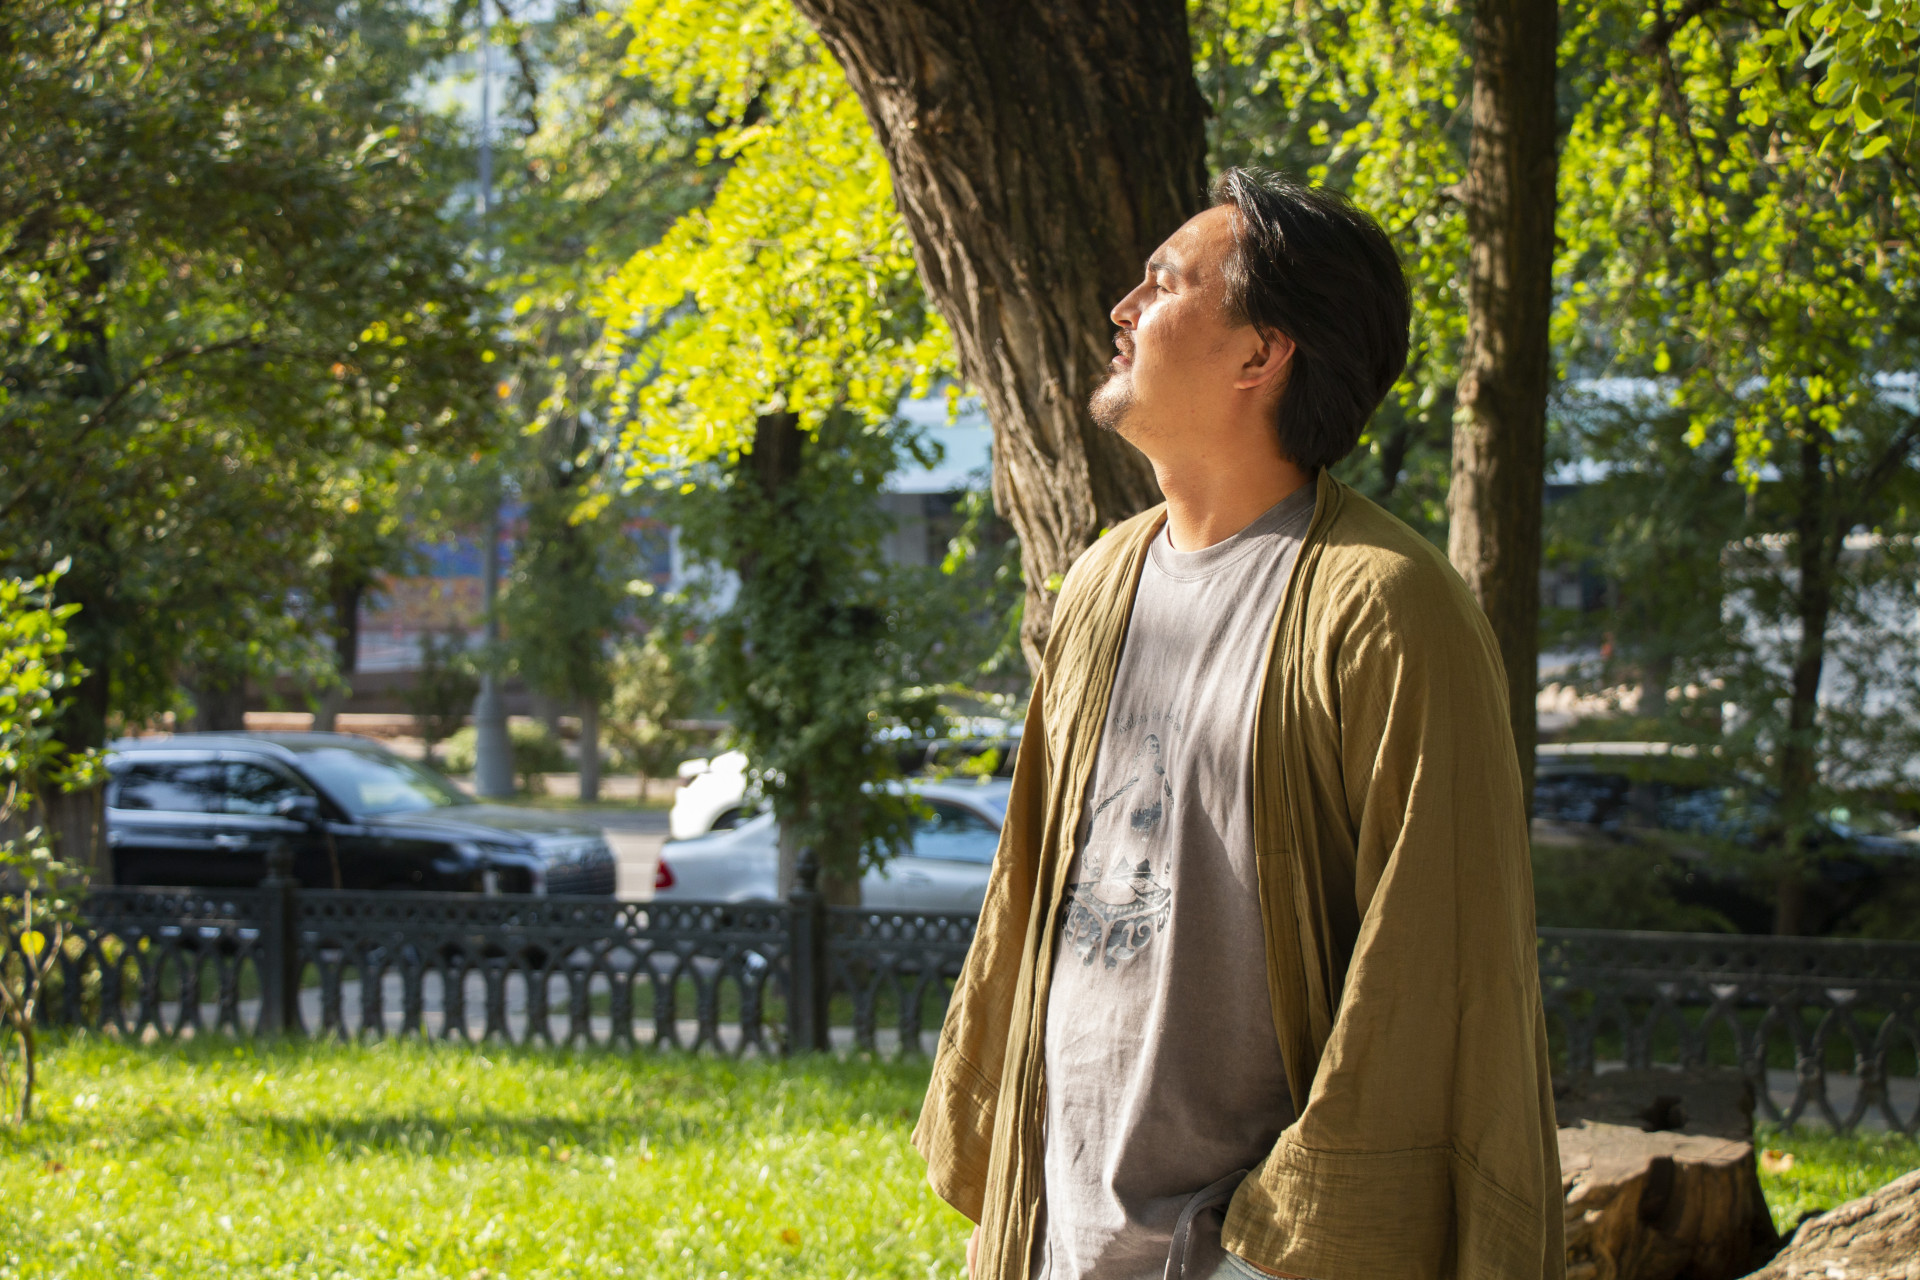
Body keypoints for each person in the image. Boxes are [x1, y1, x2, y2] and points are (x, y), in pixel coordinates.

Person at [912, 168, 1565, 1280]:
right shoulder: (1104, 579)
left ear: (1261, 354)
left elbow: (1432, 966)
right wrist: (1009, 1198)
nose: (1122, 309)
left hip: (1241, 1250)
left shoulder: (1386, 606)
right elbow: (1030, 891)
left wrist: (1270, 1255)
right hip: (1057, 1229)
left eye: (1162, 283)